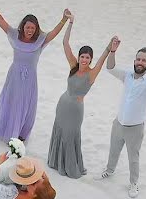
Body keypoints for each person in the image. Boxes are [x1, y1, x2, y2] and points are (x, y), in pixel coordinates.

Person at [0, 0, 70, 142]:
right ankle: (8, 128)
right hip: (14, 77)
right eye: (27, 27)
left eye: (32, 28)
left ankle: (21, 132)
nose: (29, 30)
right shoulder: (14, 35)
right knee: (11, 102)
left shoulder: (40, 40)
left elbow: (54, 33)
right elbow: (1, 21)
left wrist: (63, 19)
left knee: (26, 105)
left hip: (30, 79)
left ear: (36, 29)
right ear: (23, 27)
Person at [96, 37, 146, 198]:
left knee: (133, 158)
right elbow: (110, 67)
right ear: (135, 60)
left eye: (144, 60)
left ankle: (134, 183)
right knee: (113, 151)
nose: (140, 62)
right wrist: (112, 51)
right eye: (138, 59)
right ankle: (109, 171)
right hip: (118, 123)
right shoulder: (127, 75)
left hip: (135, 128)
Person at [45, 15, 113, 179]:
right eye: (82, 56)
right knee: (59, 131)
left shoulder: (91, 74)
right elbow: (65, 44)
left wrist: (110, 47)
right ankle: (56, 162)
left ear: (90, 59)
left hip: (75, 110)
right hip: (62, 105)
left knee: (70, 135)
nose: (84, 59)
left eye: (87, 57)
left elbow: (102, 60)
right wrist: (70, 23)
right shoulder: (73, 66)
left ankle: (69, 166)